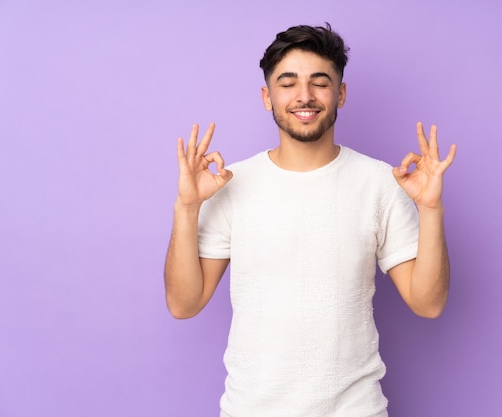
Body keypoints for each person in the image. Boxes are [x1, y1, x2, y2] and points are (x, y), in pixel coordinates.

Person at [164, 23, 456, 417]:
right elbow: (183, 304)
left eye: (320, 82)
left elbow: (428, 304)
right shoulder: (230, 185)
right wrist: (186, 207)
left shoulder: (380, 184)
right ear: (267, 97)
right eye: (288, 83)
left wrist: (431, 210)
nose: (304, 96)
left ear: (341, 93)